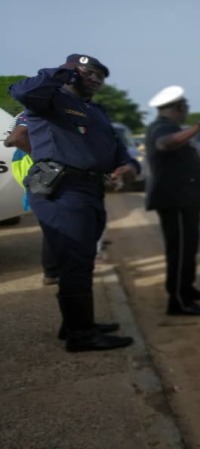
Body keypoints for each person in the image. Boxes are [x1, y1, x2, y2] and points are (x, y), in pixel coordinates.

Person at [9, 53, 138, 352]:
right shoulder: (49, 100)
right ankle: (82, 336)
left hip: (90, 189)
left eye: (100, 75)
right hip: (62, 189)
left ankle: (75, 325)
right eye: (88, 72)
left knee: (79, 262)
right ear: (72, 72)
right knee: (76, 262)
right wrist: (63, 72)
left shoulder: (96, 111)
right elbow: (22, 92)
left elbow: (118, 149)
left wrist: (129, 166)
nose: (95, 78)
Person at [145, 85, 200, 316]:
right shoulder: (161, 128)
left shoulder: (170, 127)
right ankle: (178, 301)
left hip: (185, 200)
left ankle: (186, 289)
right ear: (177, 107)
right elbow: (165, 144)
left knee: (188, 249)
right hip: (175, 201)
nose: (186, 109)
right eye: (185, 106)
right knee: (179, 251)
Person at [3, 111, 60, 286]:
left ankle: (53, 271)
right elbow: (12, 139)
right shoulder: (33, 111)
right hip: (37, 169)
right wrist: (41, 158)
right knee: (55, 226)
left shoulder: (26, 113)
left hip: (28, 167)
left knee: (52, 226)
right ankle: (53, 272)